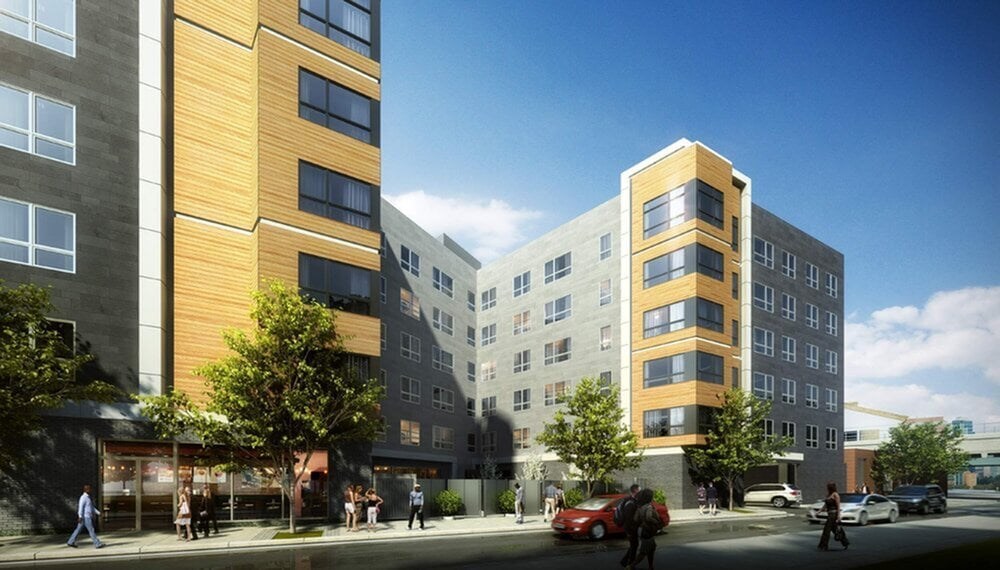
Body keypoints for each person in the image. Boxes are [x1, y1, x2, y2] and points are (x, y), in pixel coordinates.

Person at [629, 488, 664, 570]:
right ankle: (630, 566)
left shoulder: (640, 507)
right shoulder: (649, 506)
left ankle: (650, 566)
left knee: (651, 548)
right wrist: (656, 522)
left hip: (641, 530)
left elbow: (635, 519)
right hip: (647, 531)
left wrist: (642, 520)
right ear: (650, 497)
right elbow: (649, 517)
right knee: (643, 552)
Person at [66, 484, 103, 549]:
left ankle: (70, 542)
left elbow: (91, 507)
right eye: (89, 489)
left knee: (78, 530)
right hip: (85, 517)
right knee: (91, 530)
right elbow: (80, 507)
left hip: (85, 517)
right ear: (86, 490)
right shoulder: (83, 497)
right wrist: (80, 516)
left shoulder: (88, 497)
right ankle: (97, 544)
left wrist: (98, 513)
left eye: (90, 488)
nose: (90, 490)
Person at [619, 484, 641, 568]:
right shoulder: (630, 503)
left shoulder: (633, 501)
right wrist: (630, 531)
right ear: (635, 491)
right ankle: (630, 565)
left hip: (631, 528)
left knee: (634, 545)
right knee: (634, 545)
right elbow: (628, 519)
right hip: (630, 529)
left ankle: (625, 562)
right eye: (639, 490)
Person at [817, 481, 843, 551]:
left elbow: (838, 506)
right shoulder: (828, 495)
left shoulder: (835, 495)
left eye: (828, 487)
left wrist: (838, 516)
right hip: (829, 514)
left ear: (831, 487)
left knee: (827, 530)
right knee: (835, 530)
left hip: (833, 514)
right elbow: (825, 505)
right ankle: (845, 542)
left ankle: (823, 545)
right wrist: (819, 511)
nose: (827, 488)